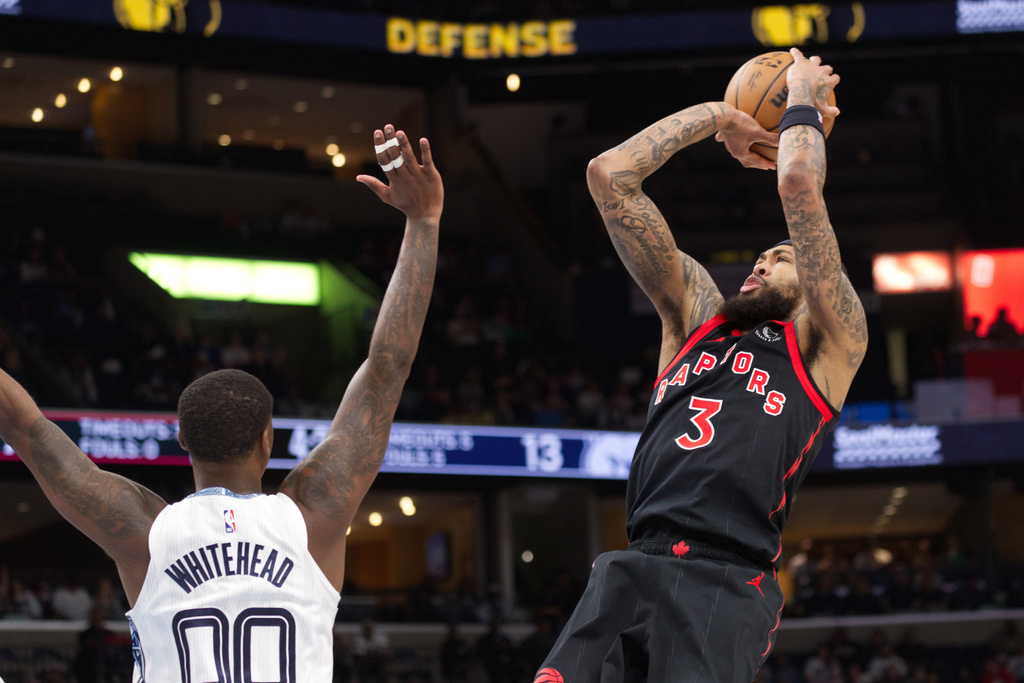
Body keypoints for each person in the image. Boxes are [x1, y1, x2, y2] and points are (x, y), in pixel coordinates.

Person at [0, 124, 443, 682]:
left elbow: (24, 425)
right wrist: (423, 222)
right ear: (268, 438)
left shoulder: (146, 530)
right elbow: (387, 367)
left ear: (182, 439)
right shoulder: (311, 518)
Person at [535, 48, 867, 683]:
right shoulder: (696, 320)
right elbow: (610, 177)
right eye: (762, 256)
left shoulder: (828, 343)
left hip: (725, 582)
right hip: (634, 566)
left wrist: (798, 92)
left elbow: (798, 187)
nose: (764, 263)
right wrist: (721, 115)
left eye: (783, 256)